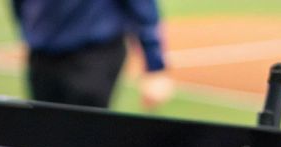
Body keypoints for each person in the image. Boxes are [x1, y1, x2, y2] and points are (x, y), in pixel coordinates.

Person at [12, 0, 174, 111]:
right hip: (43, 56)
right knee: (44, 132)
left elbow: (142, 7)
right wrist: (29, 33)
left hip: (93, 54)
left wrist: (154, 66)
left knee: (85, 136)